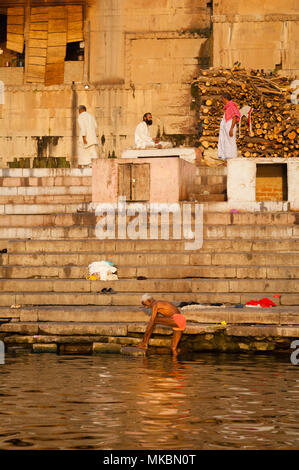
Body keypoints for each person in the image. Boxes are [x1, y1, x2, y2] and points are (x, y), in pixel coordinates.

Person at [218, 93, 241, 163]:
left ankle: (232, 158)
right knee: (225, 141)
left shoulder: (232, 107)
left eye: (222, 99)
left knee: (231, 142)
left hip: (230, 127)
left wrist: (231, 128)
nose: (222, 100)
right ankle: (226, 158)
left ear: (225, 98)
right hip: (227, 127)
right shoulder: (228, 107)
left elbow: (234, 117)